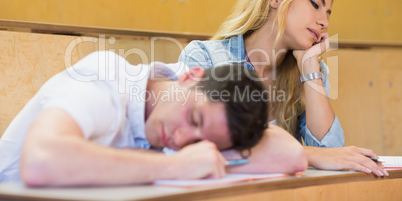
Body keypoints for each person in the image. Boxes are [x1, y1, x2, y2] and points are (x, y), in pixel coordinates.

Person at [179, 0, 388, 177]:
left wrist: (309, 67)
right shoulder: (203, 56)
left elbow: (329, 151)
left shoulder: (311, 68)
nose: (324, 22)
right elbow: (201, 146)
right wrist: (306, 154)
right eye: (315, 4)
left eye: (328, 14)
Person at [0, 50, 307, 186]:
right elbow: (41, 162)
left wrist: (203, 155)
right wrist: (176, 166)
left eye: (200, 141)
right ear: (190, 76)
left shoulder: (184, 113)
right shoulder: (106, 79)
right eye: (195, 119)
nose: (183, 139)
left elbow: (289, 154)